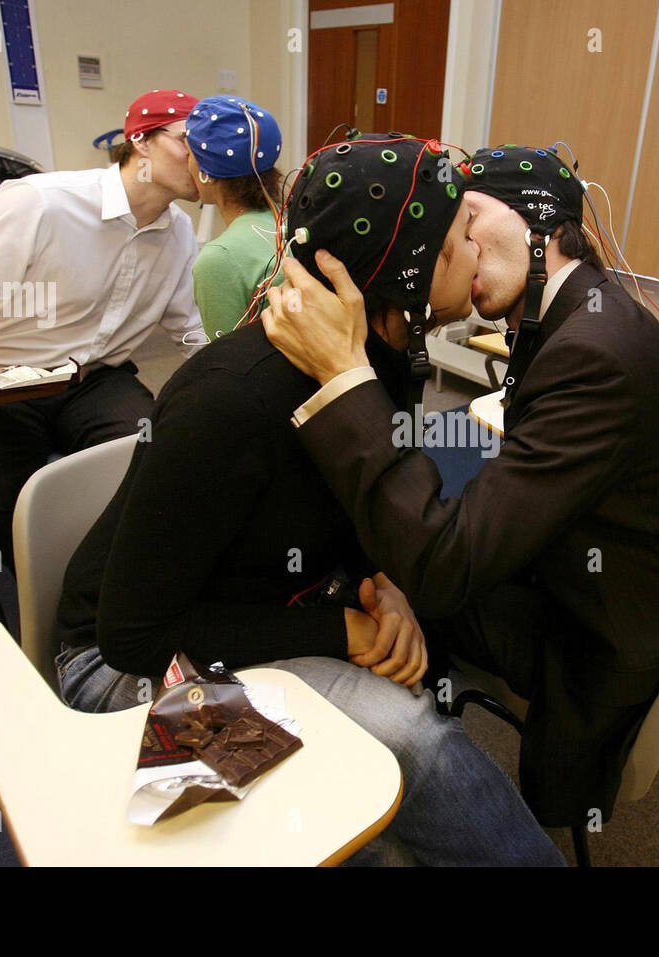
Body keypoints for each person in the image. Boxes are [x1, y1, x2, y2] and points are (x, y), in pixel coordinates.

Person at [54, 134, 564, 866]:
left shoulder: (375, 361)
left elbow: (354, 498)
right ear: (409, 269)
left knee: (378, 773)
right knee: (401, 745)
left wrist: (381, 587)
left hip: (267, 609)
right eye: (460, 238)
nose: (480, 249)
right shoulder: (230, 397)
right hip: (121, 665)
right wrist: (344, 633)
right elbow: (133, 637)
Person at [261, 144, 659, 829]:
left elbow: (443, 566)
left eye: (469, 218)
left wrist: (347, 377)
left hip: (618, 630)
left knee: (384, 584)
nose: (452, 241)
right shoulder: (588, 312)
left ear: (536, 223)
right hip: (637, 577)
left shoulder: (591, 355)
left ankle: (416, 784)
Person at [0, 89, 205, 574]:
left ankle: (102, 585)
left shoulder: (179, 235)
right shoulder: (42, 202)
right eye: (188, 142)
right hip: (0, 379)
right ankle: (39, 584)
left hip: (94, 379)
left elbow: (193, 331)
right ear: (142, 141)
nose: (203, 159)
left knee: (154, 473)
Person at [184, 96, 284, 338]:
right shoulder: (291, 226)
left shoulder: (219, 259)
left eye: (189, 154)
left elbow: (226, 364)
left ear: (207, 172)